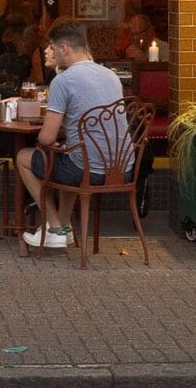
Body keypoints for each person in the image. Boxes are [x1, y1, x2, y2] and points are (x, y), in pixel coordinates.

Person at [14, 24, 124, 250]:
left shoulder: (63, 81)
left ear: (64, 49)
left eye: (53, 48)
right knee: (67, 154)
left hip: (87, 170)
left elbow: (46, 138)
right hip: (122, 168)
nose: (51, 52)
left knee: (24, 158)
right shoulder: (111, 76)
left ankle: (54, 228)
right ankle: (64, 227)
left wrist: (50, 139)